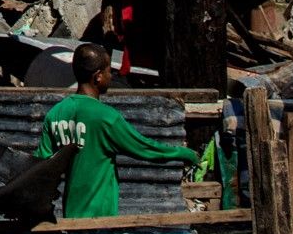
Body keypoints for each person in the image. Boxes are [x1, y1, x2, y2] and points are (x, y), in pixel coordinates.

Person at [34, 42, 203, 218]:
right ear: (98, 76)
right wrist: (183, 153)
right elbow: (144, 148)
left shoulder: (55, 114)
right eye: (109, 71)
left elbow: (40, 165)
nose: (111, 76)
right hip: (101, 218)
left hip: (72, 215)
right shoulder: (105, 117)